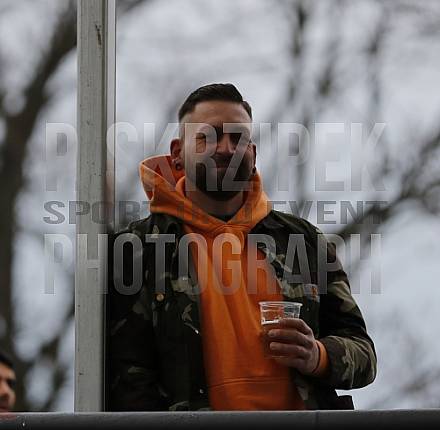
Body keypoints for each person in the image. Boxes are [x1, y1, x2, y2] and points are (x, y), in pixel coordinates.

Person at [107, 83, 377, 411]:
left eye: (239, 138)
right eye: (209, 136)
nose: (226, 148)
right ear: (178, 152)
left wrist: (317, 355)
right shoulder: (137, 248)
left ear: (253, 153)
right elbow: (126, 379)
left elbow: (364, 354)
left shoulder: (303, 241)